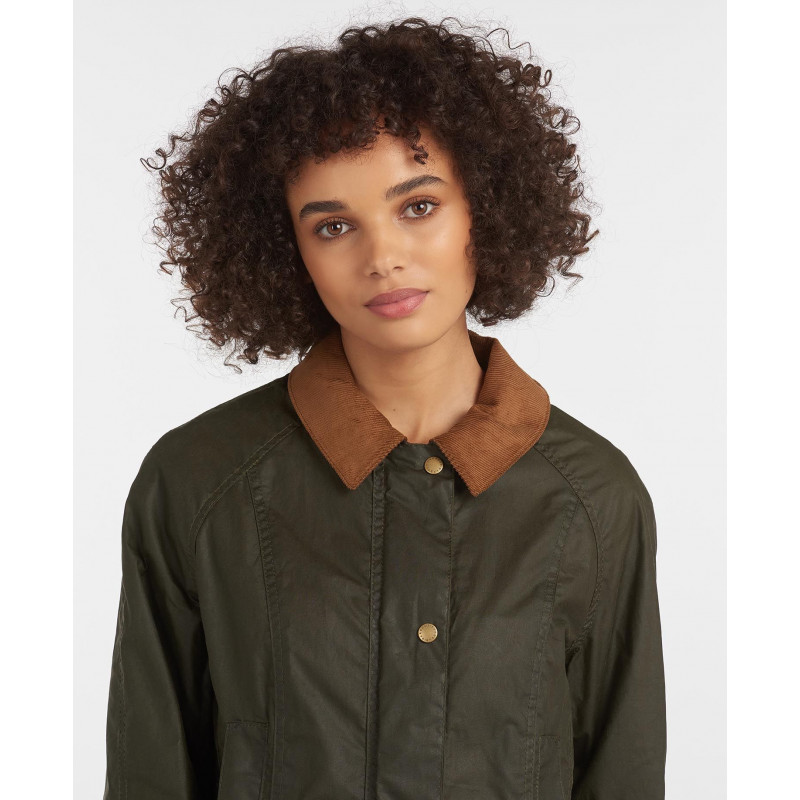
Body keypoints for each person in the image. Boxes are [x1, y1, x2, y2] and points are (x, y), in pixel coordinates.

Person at [102, 16, 667, 800]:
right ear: (288, 251)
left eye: (418, 206)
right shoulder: (198, 482)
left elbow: (621, 773)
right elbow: (151, 774)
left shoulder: (595, 499)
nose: (382, 257)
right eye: (333, 226)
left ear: (484, 208)